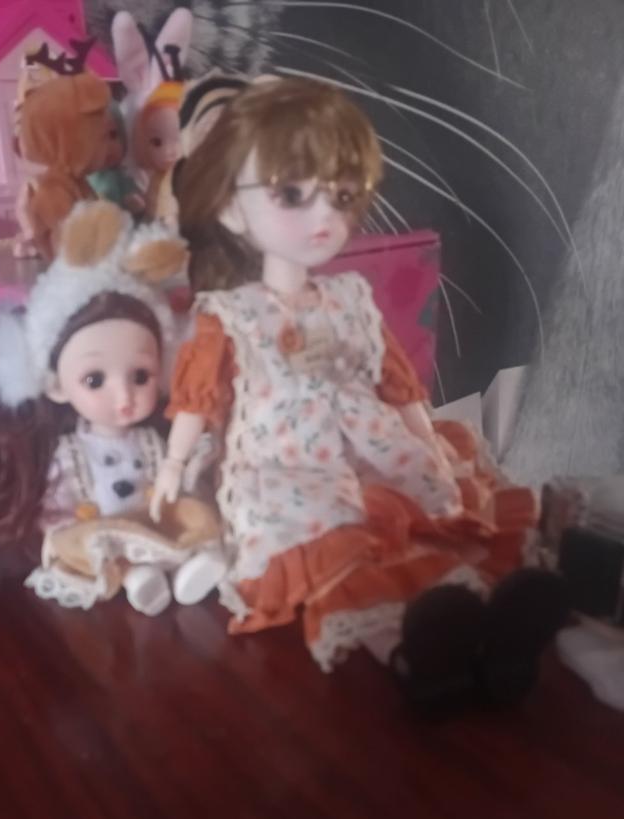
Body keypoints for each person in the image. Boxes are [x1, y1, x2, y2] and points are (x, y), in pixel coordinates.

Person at [150, 77, 568, 703]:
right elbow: (198, 396)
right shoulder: (232, 314)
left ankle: (486, 631)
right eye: (293, 194)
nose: (325, 216)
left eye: (342, 195)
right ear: (233, 209)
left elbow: (395, 381)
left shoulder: (348, 298)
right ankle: (410, 649)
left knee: (423, 511)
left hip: (369, 443)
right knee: (337, 542)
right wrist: (175, 464)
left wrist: (427, 441)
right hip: (283, 461)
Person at [0, 200, 225, 615]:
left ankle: (192, 565)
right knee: (92, 543)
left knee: (195, 516)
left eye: (140, 376)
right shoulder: (69, 455)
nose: (123, 398)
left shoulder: (153, 442)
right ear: (55, 386)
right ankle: (136, 576)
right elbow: (60, 507)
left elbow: (175, 479)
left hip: (151, 521)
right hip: (100, 525)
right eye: (94, 380)